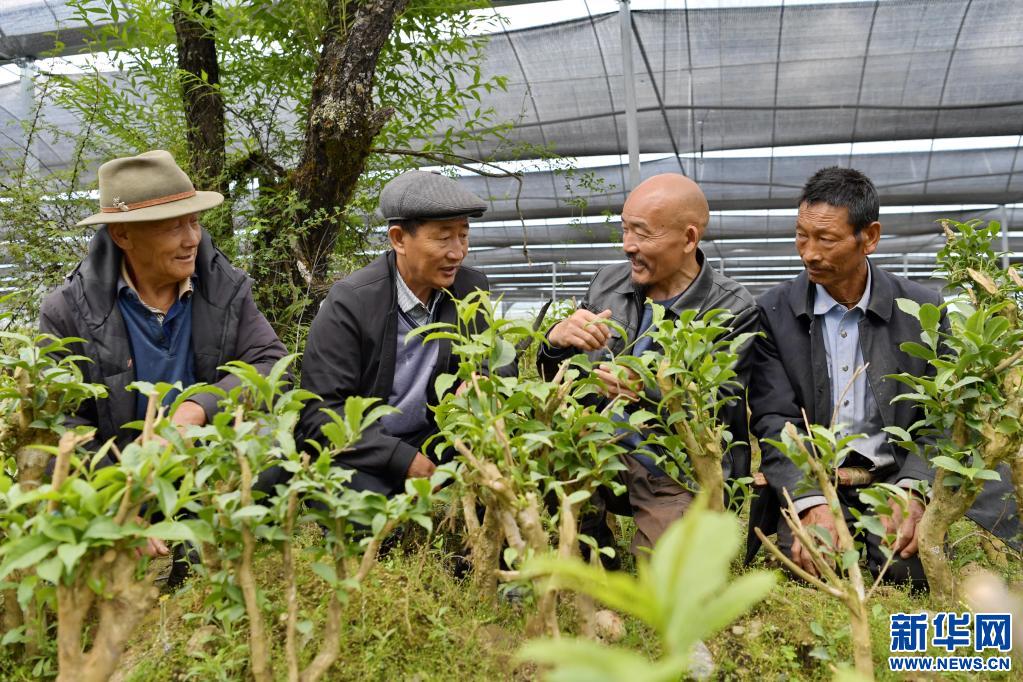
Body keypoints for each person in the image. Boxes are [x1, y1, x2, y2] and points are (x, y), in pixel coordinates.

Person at [747, 166, 1019, 587]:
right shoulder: (775, 312)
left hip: (891, 477)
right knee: (810, 564)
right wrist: (809, 500)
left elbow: (943, 418)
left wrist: (913, 489)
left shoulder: (922, 312)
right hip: (818, 477)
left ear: (869, 237)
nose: (809, 253)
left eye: (826, 239)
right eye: (802, 235)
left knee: (908, 570)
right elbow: (773, 417)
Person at [39, 149, 287, 561]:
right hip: (122, 481)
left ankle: (211, 554)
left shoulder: (223, 287)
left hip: (207, 474)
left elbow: (270, 365)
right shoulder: (67, 311)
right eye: (173, 227)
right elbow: (58, 423)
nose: (192, 239)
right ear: (123, 235)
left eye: (194, 221)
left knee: (271, 442)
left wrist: (199, 407)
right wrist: (113, 504)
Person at [537, 173, 758, 554]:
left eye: (641, 233)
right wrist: (555, 342)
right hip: (598, 451)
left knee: (661, 575)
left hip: (673, 468)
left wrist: (648, 389)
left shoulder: (732, 309)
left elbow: (720, 406)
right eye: (625, 229)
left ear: (688, 239)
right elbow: (564, 381)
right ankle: (592, 548)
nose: (628, 245)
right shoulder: (608, 283)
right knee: (543, 453)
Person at [297, 170, 500, 495]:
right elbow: (322, 413)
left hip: (435, 441)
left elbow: (497, 359)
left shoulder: (469, 289)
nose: (458, 252)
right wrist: (398, 458)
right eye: (443, 238)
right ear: (398, 239)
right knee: (361, 503)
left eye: (463, 235)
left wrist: (483, 380)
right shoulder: (351, 302)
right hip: (366, 448)